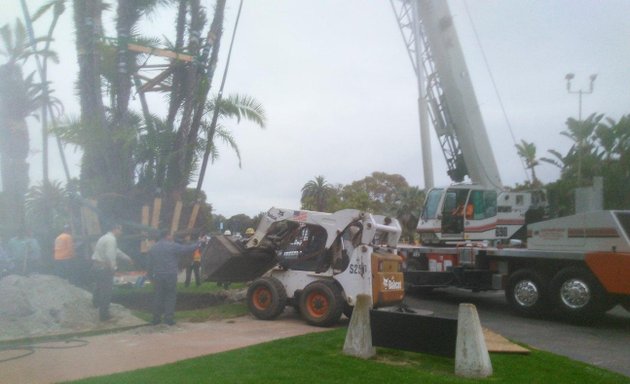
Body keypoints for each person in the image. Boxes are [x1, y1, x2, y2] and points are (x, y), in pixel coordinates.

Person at [148, 229, 198, 325]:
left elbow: (150, 263)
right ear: (167, 236)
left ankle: (156, 319)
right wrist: (198, 243)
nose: (172, 237)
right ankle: (168, 319)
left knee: (158, 296)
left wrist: (150, 276)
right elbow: (187, 249)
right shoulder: (172, 246)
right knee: (170, 296)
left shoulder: (153, 247)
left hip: (158, 275)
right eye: (171, 235)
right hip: (170, 275)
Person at [91, 223, 133, 321]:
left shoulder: (105, 238)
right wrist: (114, 269)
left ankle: (95, 304)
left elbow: (116, 251)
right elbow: (110, 256)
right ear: (115, 229)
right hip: (104, 268)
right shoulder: (111, 239)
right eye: (120, 230)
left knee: (98, 286)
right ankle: (104, 315)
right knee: (106, 292)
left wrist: (127, 258)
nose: (121, 232)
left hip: (96, 266)